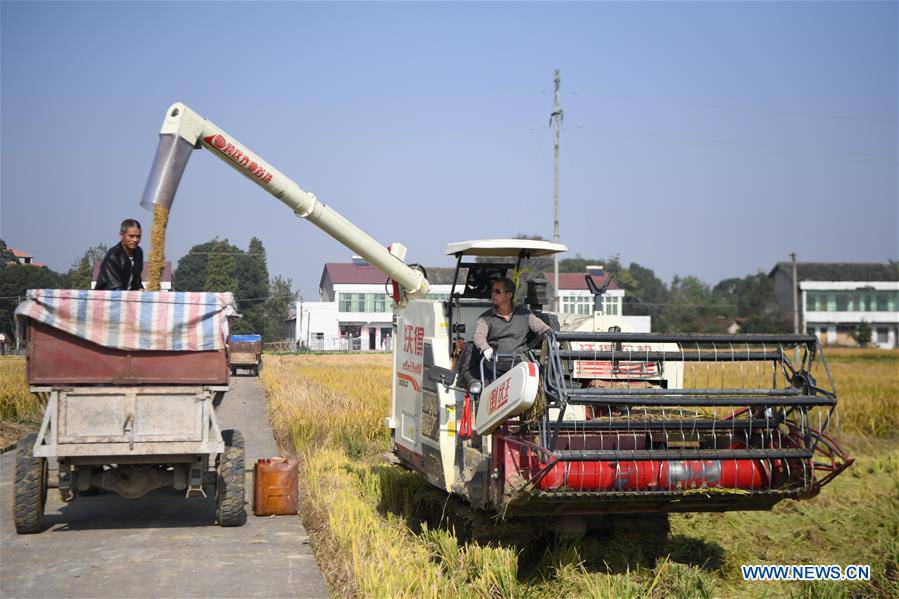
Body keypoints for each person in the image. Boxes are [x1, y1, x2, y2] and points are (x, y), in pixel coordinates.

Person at [472, 276, 550, 378]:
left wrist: (551, 337)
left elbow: (543, 329)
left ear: (509, 295)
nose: (493, 294)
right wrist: (485, 348)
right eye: (492, 291)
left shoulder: (526, 315)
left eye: (498, 291)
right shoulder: (485, 318)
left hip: (521, 365)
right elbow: (478, 336)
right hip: (495, 367)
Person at [95, 219, 144, 291]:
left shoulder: (138, 252)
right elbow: (116, 288)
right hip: (108, 298)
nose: (135, 240)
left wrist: (140, 290)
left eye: (138, 236)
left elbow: (136, 280)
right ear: (121, 235)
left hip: (126, 296)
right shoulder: (113, 256)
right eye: (131, 236)